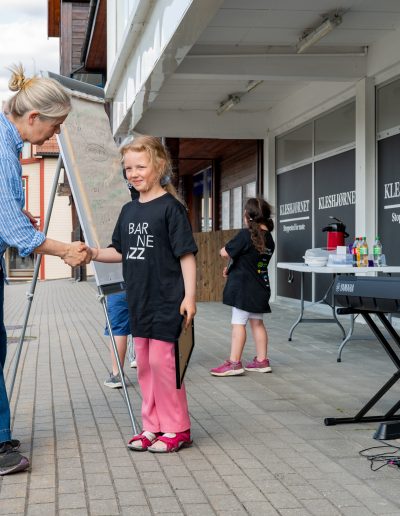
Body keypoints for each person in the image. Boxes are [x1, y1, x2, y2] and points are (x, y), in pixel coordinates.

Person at [0, 64, 88, 475]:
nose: (54, 137)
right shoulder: (2, 145)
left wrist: (17, 212)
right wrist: (66, 251)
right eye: (55, 128)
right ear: (33, 118)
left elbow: (8, 215)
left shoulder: (9, 142)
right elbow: (18, 232)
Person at [88, 135, 197, 453]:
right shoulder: (128, 211)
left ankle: (177, 428)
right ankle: (152, 426)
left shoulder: (171, 209)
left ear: (159, 166)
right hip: (139, 301)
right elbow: (118, 251)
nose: (133, 173)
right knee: (147, 366)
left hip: (168, 302)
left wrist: (189, 298)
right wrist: (92, 252)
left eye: (140, 166)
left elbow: (186, 256)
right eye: (128, 168)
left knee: (166, 366)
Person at [210, 197, 275, 377]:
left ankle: (234, 363)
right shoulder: (269, 239)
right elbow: (251, 261)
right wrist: (233, 267)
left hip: (243, 290)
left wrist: (228, 254)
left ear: (247, 216)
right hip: (260, 287)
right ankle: (262, 361)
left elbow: (225, 252)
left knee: (238, 324)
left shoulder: (246, 235)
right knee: (257, 323)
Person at [103, 291, 135, 388]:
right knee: (141, 322)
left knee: (117, 329)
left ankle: (117, 374)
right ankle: (138, 359)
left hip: (117, 287)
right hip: (141, 285)